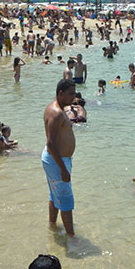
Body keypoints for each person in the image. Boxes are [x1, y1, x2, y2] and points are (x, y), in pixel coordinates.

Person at [42, 79, 77, 238]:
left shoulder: (57, 109)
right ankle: (71, 238)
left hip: (56, 160)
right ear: (60, 93)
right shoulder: (56, 112)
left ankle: (52, 226)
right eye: (70, 94)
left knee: (54, 194)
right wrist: (63, 169)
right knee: (65, 199)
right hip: (57, 161)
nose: (73, 97)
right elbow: (51, 144)